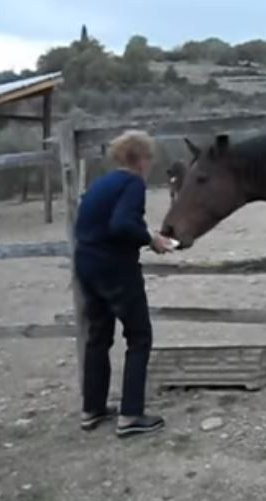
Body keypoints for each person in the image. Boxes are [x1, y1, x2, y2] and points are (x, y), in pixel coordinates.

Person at [73, 129, 173, 438]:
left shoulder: (101, 184)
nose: (151, 163)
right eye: (149, 157)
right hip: (115, 269)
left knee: (98, 337)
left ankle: (92, 409)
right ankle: (130, 415)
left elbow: (99, 223)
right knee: (139, 336)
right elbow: (121, 224)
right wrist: (150, 238)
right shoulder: (132, 183)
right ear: (140, 158)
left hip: (87, 266)